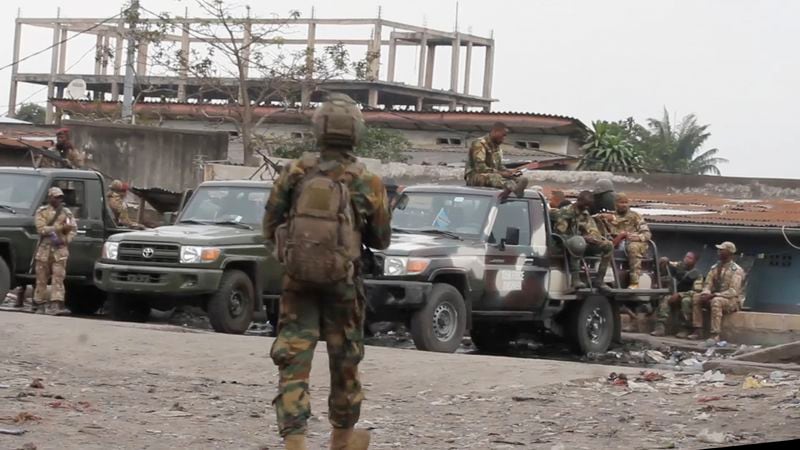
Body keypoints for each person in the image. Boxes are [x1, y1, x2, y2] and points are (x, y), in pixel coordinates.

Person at [263, 93, 391, 450]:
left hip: (298, 282)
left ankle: (295, 442)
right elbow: (381, 240)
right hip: (344, 285)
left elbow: (269, 224)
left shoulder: (294, 171)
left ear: (318, 129)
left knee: (293, 358)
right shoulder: (368, 180)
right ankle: (342, 440)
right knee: (345, 359)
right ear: (356, 133)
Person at [555, 190, 613, 288]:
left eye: (589, 205)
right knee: (578, 242)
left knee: (608, 245)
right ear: (579, 201)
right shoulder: (566, 212)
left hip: (583, 242)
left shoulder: (586, 214)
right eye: (585, 204)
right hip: (565, 242)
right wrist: (582, 238)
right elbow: (560, 233)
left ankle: (599, 280)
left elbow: (593, 230)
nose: (587, 207)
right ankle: (575, 279)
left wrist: (594, 238)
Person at [688, 241, 745, 342]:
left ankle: (715, 335)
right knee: (697, 297)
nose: (718, 251)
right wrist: (705, 293)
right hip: (715, 296)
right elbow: (707, 284)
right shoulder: (714, 268)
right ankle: (698, 330)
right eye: (719, 249)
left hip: (731, 301)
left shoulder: (736, 270)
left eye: (722, 250)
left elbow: (733, 291)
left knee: (716, 301)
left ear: (729, 253)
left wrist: (714, 295)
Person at [33, 187, 76, 315]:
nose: (58, 199)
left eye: (60, 197)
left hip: (60, 250)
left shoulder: (66, 212)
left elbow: (73, 229)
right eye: (56, 197)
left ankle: (56, 305)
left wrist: (66, 240)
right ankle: (40, 304)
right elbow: (41, 229)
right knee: (41, 278)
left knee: (58, 278)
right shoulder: (42, 212)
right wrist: (59, 227)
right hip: (44, 250)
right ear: (49, 197)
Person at [599, 193, 652, 288]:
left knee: (633, 247)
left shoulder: (635, 216)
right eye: (621, 202)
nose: (624, 205)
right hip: (617, 243)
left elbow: (647, 233)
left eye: (626, 202)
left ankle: (634, 282)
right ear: (615, 204)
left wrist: (638, 237)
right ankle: (605, 278)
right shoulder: (610, 217)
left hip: (634, 242)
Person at [464, 122, 528, 199]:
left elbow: (499, 166)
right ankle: (513, 188)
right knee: (494, 177)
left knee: (516, 178)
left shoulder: (497, 148)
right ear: (495, 132)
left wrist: (509, 172)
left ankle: (515, 188)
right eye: (503, 135)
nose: (503, 139)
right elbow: (480, 168)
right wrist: (502, 174)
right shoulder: (480, 143)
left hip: (491, 174)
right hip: (474, 176)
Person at [652, 252, 703, 337]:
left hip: (687, 296)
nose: (686, 259)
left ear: (695, 261)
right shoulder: (679, 266)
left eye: (690, 258)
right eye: (686, 256)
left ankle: (685, 329)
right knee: (666, 299)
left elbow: (697, 291)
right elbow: (668, 263)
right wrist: (665, 260)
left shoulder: (697, 275)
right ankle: (660, 328)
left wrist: (680, 295)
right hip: (674, 294)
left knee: (686, 302)